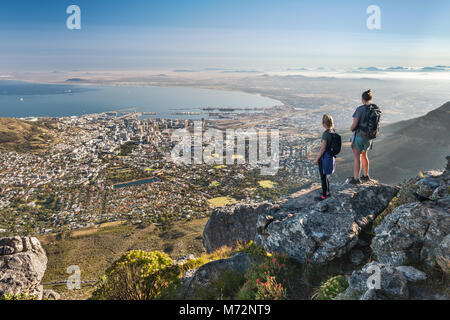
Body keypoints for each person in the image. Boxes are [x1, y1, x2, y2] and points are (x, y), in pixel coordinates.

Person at [349, 89, 377, 184]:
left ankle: (356, 179)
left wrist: (351, 129)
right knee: (365, 156)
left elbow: (354, 125)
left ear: (362, 99)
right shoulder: (374, 109)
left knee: (357, 157)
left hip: (359, 137)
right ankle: (366, 175)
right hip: (369, 138)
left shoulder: (360, 109)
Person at [314, 114, 336, 201]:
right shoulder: (333, 131)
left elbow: (323, 148)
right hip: (331, 156)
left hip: (324, 158)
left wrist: (317, 159)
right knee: (325, 175)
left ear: (323, 123)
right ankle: (327, 191)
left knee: (323, 176)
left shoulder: (325, 134)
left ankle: (324, 195)